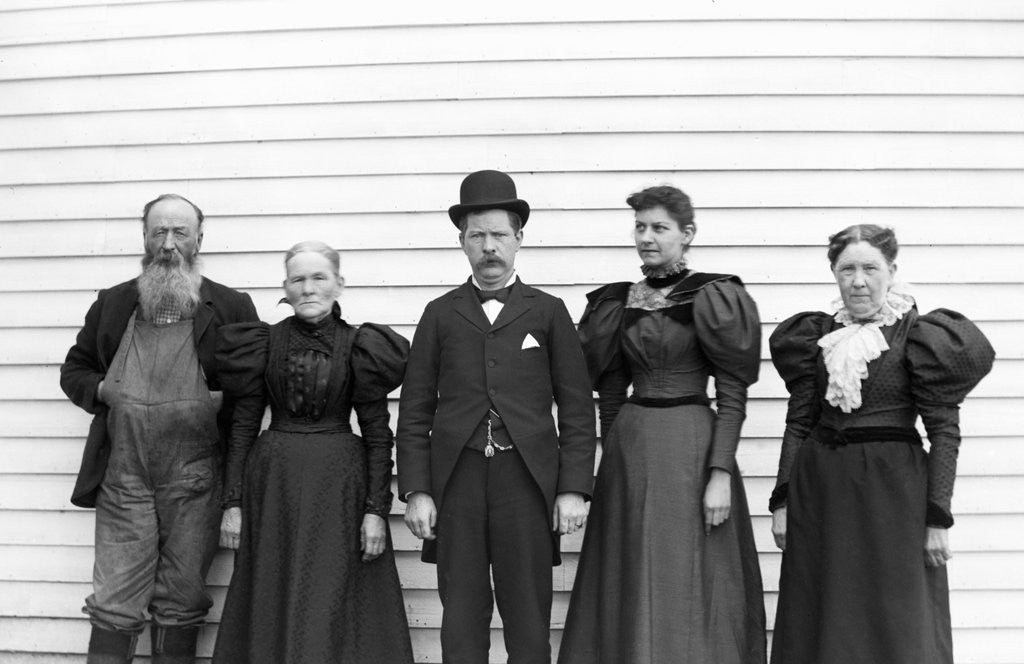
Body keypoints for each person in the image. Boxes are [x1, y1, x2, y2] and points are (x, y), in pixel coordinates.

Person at [768, 224, 995, 664]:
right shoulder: (818, 336)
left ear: (891, 270)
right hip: (823, 492)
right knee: (825, 606)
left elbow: (945, 431)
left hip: (893, 495)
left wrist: (937, 518)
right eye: (847, 269)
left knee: (894, 611)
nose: (858, 280)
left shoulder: (919, 335)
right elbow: (799, 423)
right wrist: (783, 500)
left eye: (870, 268)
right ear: (834, 273)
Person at [559, 185, 766, 664]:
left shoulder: (715, 296)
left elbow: (733, 395)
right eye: (640, 227)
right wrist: (613, 458)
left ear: (687, 234)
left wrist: (719, 474)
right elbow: (609, 393)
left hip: (693, 450)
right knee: (629, 572)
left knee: (690, 575)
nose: (647, 237)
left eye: (659, 228)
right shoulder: (616, 302)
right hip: (631, 452)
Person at [397, 169, 597, 664]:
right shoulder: (439, 313)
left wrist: (573, 487)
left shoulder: (548, 312)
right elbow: (415, 408)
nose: (489, 247)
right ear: (462, 241)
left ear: (519, 239)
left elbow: (576, 408)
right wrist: (417, 489)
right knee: (461, 617)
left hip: (525, 483)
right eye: (477, 236)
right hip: (457, 482)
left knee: (528, 617)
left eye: (499, 235)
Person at [60, 194, 259, 664]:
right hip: (123, 476)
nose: (169, 244)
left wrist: (220, 400)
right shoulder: (113, 304)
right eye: (159, 232)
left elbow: (253, 390)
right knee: (114, 600)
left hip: (197, 478)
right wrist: (105, 390)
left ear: (199, 239)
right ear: (145, 237)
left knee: (182, 596)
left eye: (180, 233)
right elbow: (75, 370)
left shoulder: (231, 306)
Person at [211, 241, 413, 663]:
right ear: (285, 286)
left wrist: (376, 510)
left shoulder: (362, 346)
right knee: (273, 591)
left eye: (319, 277)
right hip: (273, 488)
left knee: (332, 595)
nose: (308, 288)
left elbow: (378, 434)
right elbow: (244, 426)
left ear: (339, 284)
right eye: (298, 279)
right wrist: (233, 503)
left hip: (341, 490)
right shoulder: (262, 344)